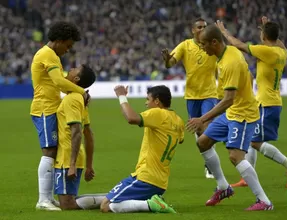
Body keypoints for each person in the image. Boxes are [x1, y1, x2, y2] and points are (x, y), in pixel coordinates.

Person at [186, 24, 273, 211]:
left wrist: (202, 119)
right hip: (233, 112)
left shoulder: (229, 63)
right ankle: (223, 187)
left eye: (203, 44)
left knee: (235, 156)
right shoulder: (227, 53)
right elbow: (248, 76)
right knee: (203, 142)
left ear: (214, 42)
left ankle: (264, 201)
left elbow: (229, 99)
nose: (201, 47)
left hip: (243, 115)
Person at [216, 16, 287, 188]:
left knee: (255, 142)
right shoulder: (281, 52)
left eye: (261, 33)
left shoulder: (266, 51)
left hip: (267, 104)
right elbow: (280, 43)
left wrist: (224, 32)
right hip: (270, 102)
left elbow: (238, 45)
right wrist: (268, 29)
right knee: (250, 139)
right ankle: (248, 178)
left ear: (264, 37)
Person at [30, 21, 90, 211]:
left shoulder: (51, 56)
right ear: (59, 40)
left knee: (52, 151)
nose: (68, 50)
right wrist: (82, 91)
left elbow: (63, 80)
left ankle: (48, 198)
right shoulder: (47, 55)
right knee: (49, 151)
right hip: (44, 108)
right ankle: (43, 200)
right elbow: (58, 82)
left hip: (51, 107)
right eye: (68, 45)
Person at [100, 85, 184, 213]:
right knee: (114, 198)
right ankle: (153, 201)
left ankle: (150, 205)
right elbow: (181, 139)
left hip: (145, 178)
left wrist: (121, 96)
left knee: (105, 205)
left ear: (157, 101)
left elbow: (131, 118)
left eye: (147, 99)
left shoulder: (158, 113)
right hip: (161, 182)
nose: (146, 103)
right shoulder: (178, 120)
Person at [162, 18, 218, 179]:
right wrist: (167, 60)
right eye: (199, 27)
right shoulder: (185, 45)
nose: (202, 29)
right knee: (198, 129)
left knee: (206, 128)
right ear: (193, 30)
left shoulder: (212, 45)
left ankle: (210, 165)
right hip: (192, 95)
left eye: (205, 27)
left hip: (210, 94)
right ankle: (208, 158)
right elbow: (170, 63)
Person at [54, 64, 97, 210]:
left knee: (67, 204)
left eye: (74, 69)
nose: (71, 69)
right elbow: (89, 134)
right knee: (67, 201)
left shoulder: (72, 99)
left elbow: (77, 132)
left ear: (76, 78)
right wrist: (89, 165)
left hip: (67, 157)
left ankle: (113, 199)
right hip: (74, 155)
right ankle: (113, 198)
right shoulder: (80, 99)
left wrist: (71, 164)